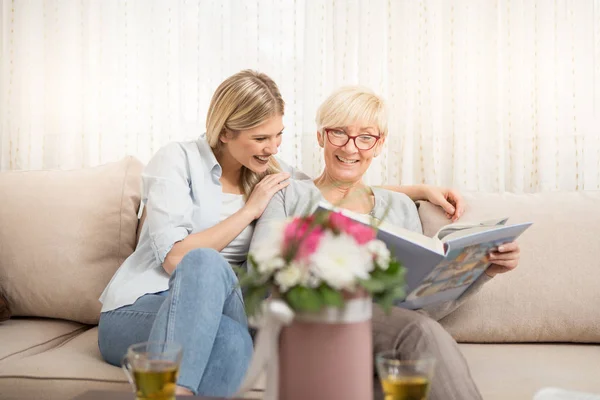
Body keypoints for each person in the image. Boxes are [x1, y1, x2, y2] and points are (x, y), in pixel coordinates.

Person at [97, 70, 468, 397]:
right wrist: (249, 211)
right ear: (226, 132)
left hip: (228, 310)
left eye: (278, 136)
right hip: (146, 304)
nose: (273, 148)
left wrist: (417, 191)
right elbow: (175, 257)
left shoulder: (270, 171)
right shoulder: (178, 160)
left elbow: (334, 188)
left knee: (230, 341)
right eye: (261, 138)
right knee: (203, 263)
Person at [250, 85, 521, 400]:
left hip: (384, 333)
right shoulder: (286, 193)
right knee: (415, 333)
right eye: (339, 133)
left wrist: (483, 270)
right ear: (321, 136)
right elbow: (260, 271)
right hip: (307, 322)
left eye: (366, 137)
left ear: (379, 145)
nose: (351, 148)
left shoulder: (401, 207)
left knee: (402, 359)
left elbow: (422, 306)